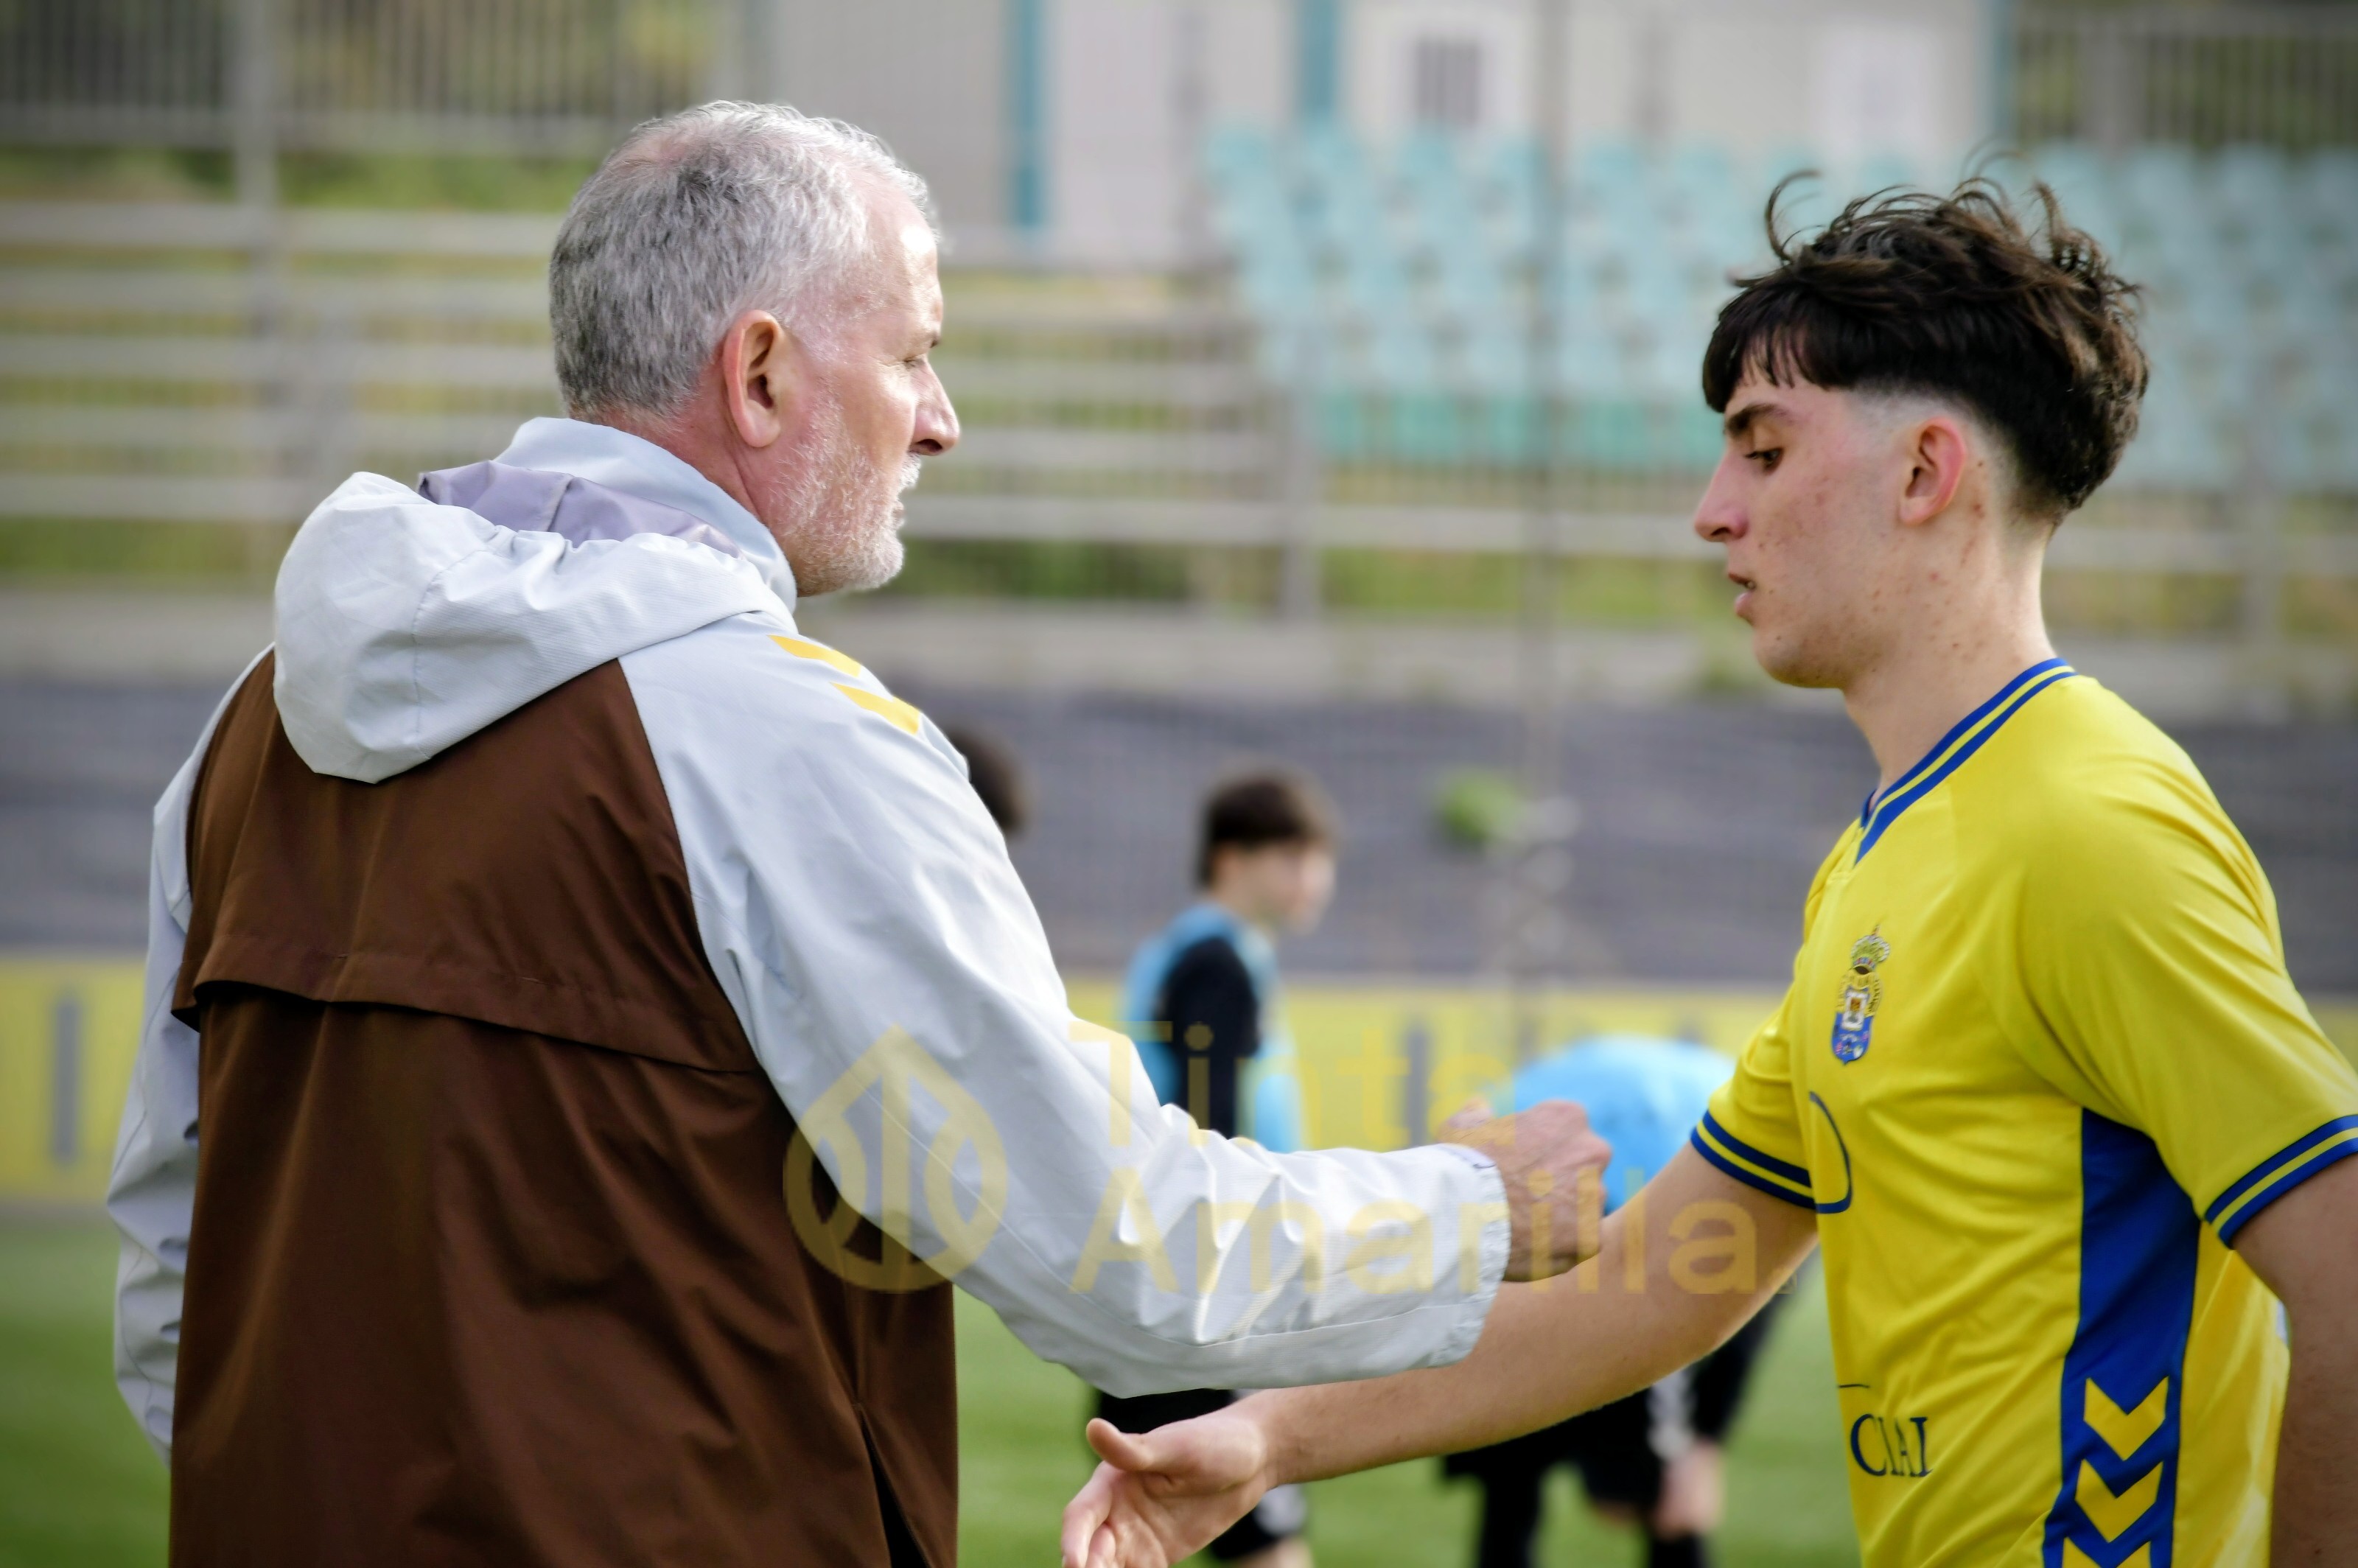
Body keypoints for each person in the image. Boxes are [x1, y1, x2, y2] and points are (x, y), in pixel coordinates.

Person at [103, 103, 1614, 1567]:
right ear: (760, 370)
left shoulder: (254, 718)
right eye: (917, 353)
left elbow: (178, 1280)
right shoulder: (780, 734)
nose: (942, 420)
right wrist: (1474, 1205)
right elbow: (1116, 1245)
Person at [1061, 180, 2358, 1568]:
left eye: (1761, 448)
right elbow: (1647, 1289)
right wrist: (1268, 1437)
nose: (1709, 511)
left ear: (1926, 473)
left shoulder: (2091, 829)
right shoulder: (1883, 854)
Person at [1095, 772, 1334, 1568]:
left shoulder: (1198, 949)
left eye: (1319, 858)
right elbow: (1209, 1131)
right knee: (1262, 1532)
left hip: (1163, 1277)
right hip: (1201, 1284)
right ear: (1231, 860)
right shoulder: (1215, 964)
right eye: (1292, 857)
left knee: (1132, 1526)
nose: (1314, 878)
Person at [1441, 1037, 1785, 1568]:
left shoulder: (1732, 1132)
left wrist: (1703, 1443)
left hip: (1531, 1192)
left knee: (1539, 1480)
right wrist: (1699, 1448)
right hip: (1542, 1201)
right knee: (1657, 1492)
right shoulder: (1742, 1133)